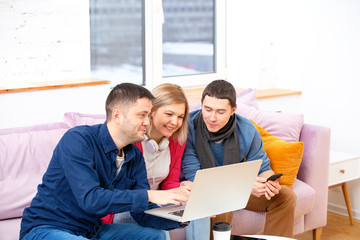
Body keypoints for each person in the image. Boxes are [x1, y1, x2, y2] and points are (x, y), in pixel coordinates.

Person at [20, 83, 189, 240]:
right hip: (47, 228)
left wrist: (183, 215)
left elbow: (141, 213)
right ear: (117, 115)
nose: (147, 121)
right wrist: (150, 195)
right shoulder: (78, 140)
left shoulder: (135, 156)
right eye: (142, 115)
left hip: (90, 230)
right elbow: (91, 199)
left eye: (148, 115)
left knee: (154, 236)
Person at [181, 80, 297, 238]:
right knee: (220, 205)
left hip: (237, 189)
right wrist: (247, 186)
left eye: (220, 112)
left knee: (285, 196)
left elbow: (263, 169)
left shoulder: (247, 129)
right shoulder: (187, 128)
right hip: (204, 192)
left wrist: (268, 182)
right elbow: (195, 178)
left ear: (233, 110)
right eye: (207, 109)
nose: (212, 118)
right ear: (201, 104)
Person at [101, 83, 192, 226]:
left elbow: (169, 182)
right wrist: (154, 199)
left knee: (194, 208)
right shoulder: (132, 138)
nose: (175, 122)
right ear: (152, 111)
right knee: (159, 224)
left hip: (157, 203)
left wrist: (181, 189)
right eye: (169, 114)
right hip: (128, 206)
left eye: (180, 116)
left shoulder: (176, 141)